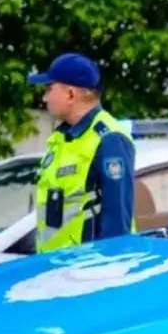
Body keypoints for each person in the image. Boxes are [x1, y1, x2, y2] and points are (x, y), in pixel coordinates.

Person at [29, 53, 135, 252]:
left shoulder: (109, 139)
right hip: (54, 267)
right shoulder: (62, 138)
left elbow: (117, 224)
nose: (44, 97)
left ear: (70, 94)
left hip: (86, 272)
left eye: (49, 89)